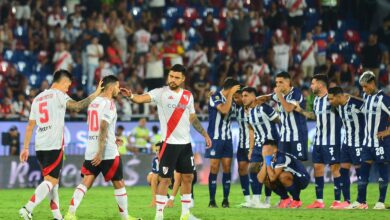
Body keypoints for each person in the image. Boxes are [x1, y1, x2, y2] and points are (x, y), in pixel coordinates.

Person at [121, 64, 212, 220]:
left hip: (185, 145)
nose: (172, 79)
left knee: (188, 177)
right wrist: (131, 96)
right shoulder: (160, 93)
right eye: (171, 76)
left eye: (176, 77)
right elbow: (142, 98)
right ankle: (159, 216)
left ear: (183, 79)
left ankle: (185, 215)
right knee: (164, 179)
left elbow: (192, 118)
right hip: (168, 144)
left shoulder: (188, 95)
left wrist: (205, 134)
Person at [19, 69, 103, 220]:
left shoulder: (37, 98)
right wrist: (96, 94)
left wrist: (25, 147)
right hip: (53, 145)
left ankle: (57, 216)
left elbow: (30, 126)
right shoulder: (59, 95)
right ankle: (27, 208)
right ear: (63, 82)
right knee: (51, 181)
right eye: (68, 86)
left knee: (53, 182)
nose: (68, 89)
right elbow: (77, 106)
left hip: (39, 146)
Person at [64, 76, 140, 220]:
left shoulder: (94, 102)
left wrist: (111, 136)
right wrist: (101, 151)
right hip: (106, 151)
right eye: (117, 86)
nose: (118, 89)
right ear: (111, 88)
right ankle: (125, 217)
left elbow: (97, 126)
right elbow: (103, 125)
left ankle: (70, 213)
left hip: (91, 148)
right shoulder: (109, 103)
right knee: (119, 183)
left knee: (86, 182)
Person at [294, 74, 343, 209]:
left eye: (313, 83)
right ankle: (319, 201)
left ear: (320, 85)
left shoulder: (332, 99)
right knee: (318, 169)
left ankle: (338, 201)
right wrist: (301, 111)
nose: (311, 86)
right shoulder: (316, 100)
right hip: (319, 141)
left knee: (335, 169)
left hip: (332, 140)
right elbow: (315, 116)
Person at [348, 71, 390, 209]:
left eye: (365, 87)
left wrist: (387, 131)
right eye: (362, 87)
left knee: (382, 171)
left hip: (381, 143)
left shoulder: (384, 99)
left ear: (372, 84)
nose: (363, 90)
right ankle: (361, 201)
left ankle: (381, 202)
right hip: (367, 143)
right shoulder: (366, 96)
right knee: (363, 172)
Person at [242, 87, 280, 208]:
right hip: (258, 146)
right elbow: (252, 131)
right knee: (252, 169)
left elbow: (280, 122)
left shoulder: (265, 108)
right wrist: (251, 149)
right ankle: (256, 199)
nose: (243, 98)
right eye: (242, 96)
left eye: (246, 95)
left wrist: (279, 144)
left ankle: (268, 200)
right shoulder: (248, 112)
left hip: (270, 144)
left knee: (268, 173)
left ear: (254, 96)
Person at [327, 86, 364, 209]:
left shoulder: (356, 104)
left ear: (339, 96)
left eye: (331, 99)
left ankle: (362, 202)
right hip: (346, 143)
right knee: (343, 171)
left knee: (360, 172)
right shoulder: (338, 107)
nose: (330, 101)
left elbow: (370, 109)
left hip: (358, 143)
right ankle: (347, 201)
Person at [206, 77, 240, 208]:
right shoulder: (215, 97)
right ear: (231, 89)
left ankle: (225, 199)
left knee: (227, 168)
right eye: (236, 90)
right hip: (215, 138)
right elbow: (224, 110)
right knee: (214, 168)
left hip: (227, 139)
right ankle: (212, 200)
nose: (237, 93)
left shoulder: (232, 100)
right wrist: (231, 95)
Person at [259, 72, 308, 161]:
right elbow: (266, 98)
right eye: (276, 82)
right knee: (282, 165)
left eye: (280, 82)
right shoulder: (279, 94)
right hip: (284, 136)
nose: (278, 85)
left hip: (298, 136)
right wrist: (254, 99)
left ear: (288, 82)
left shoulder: (296, 93)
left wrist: (279, 96)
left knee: (297, 165)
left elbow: (288, 108)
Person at [258, 140, 310, 208]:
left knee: (283, 176)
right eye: (263, 150)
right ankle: (285, 199)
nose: (265, 152)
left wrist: (267, 161)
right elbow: (260, 179)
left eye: (267, 150)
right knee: (266, 177)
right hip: (291, 178)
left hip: (302, 178)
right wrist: (265, 161)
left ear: (275, 149)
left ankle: (296, 200)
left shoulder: (281, 158)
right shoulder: (268, 158)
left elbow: (273, 178)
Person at [231, 90, 251, 207]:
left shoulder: (255, 108)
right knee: (242, 170)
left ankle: (265, 199)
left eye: (237, 97)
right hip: (242, 145)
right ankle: (248, 199)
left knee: (258, 172)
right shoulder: (237, 110)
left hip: (254, 145)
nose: (236, 100)